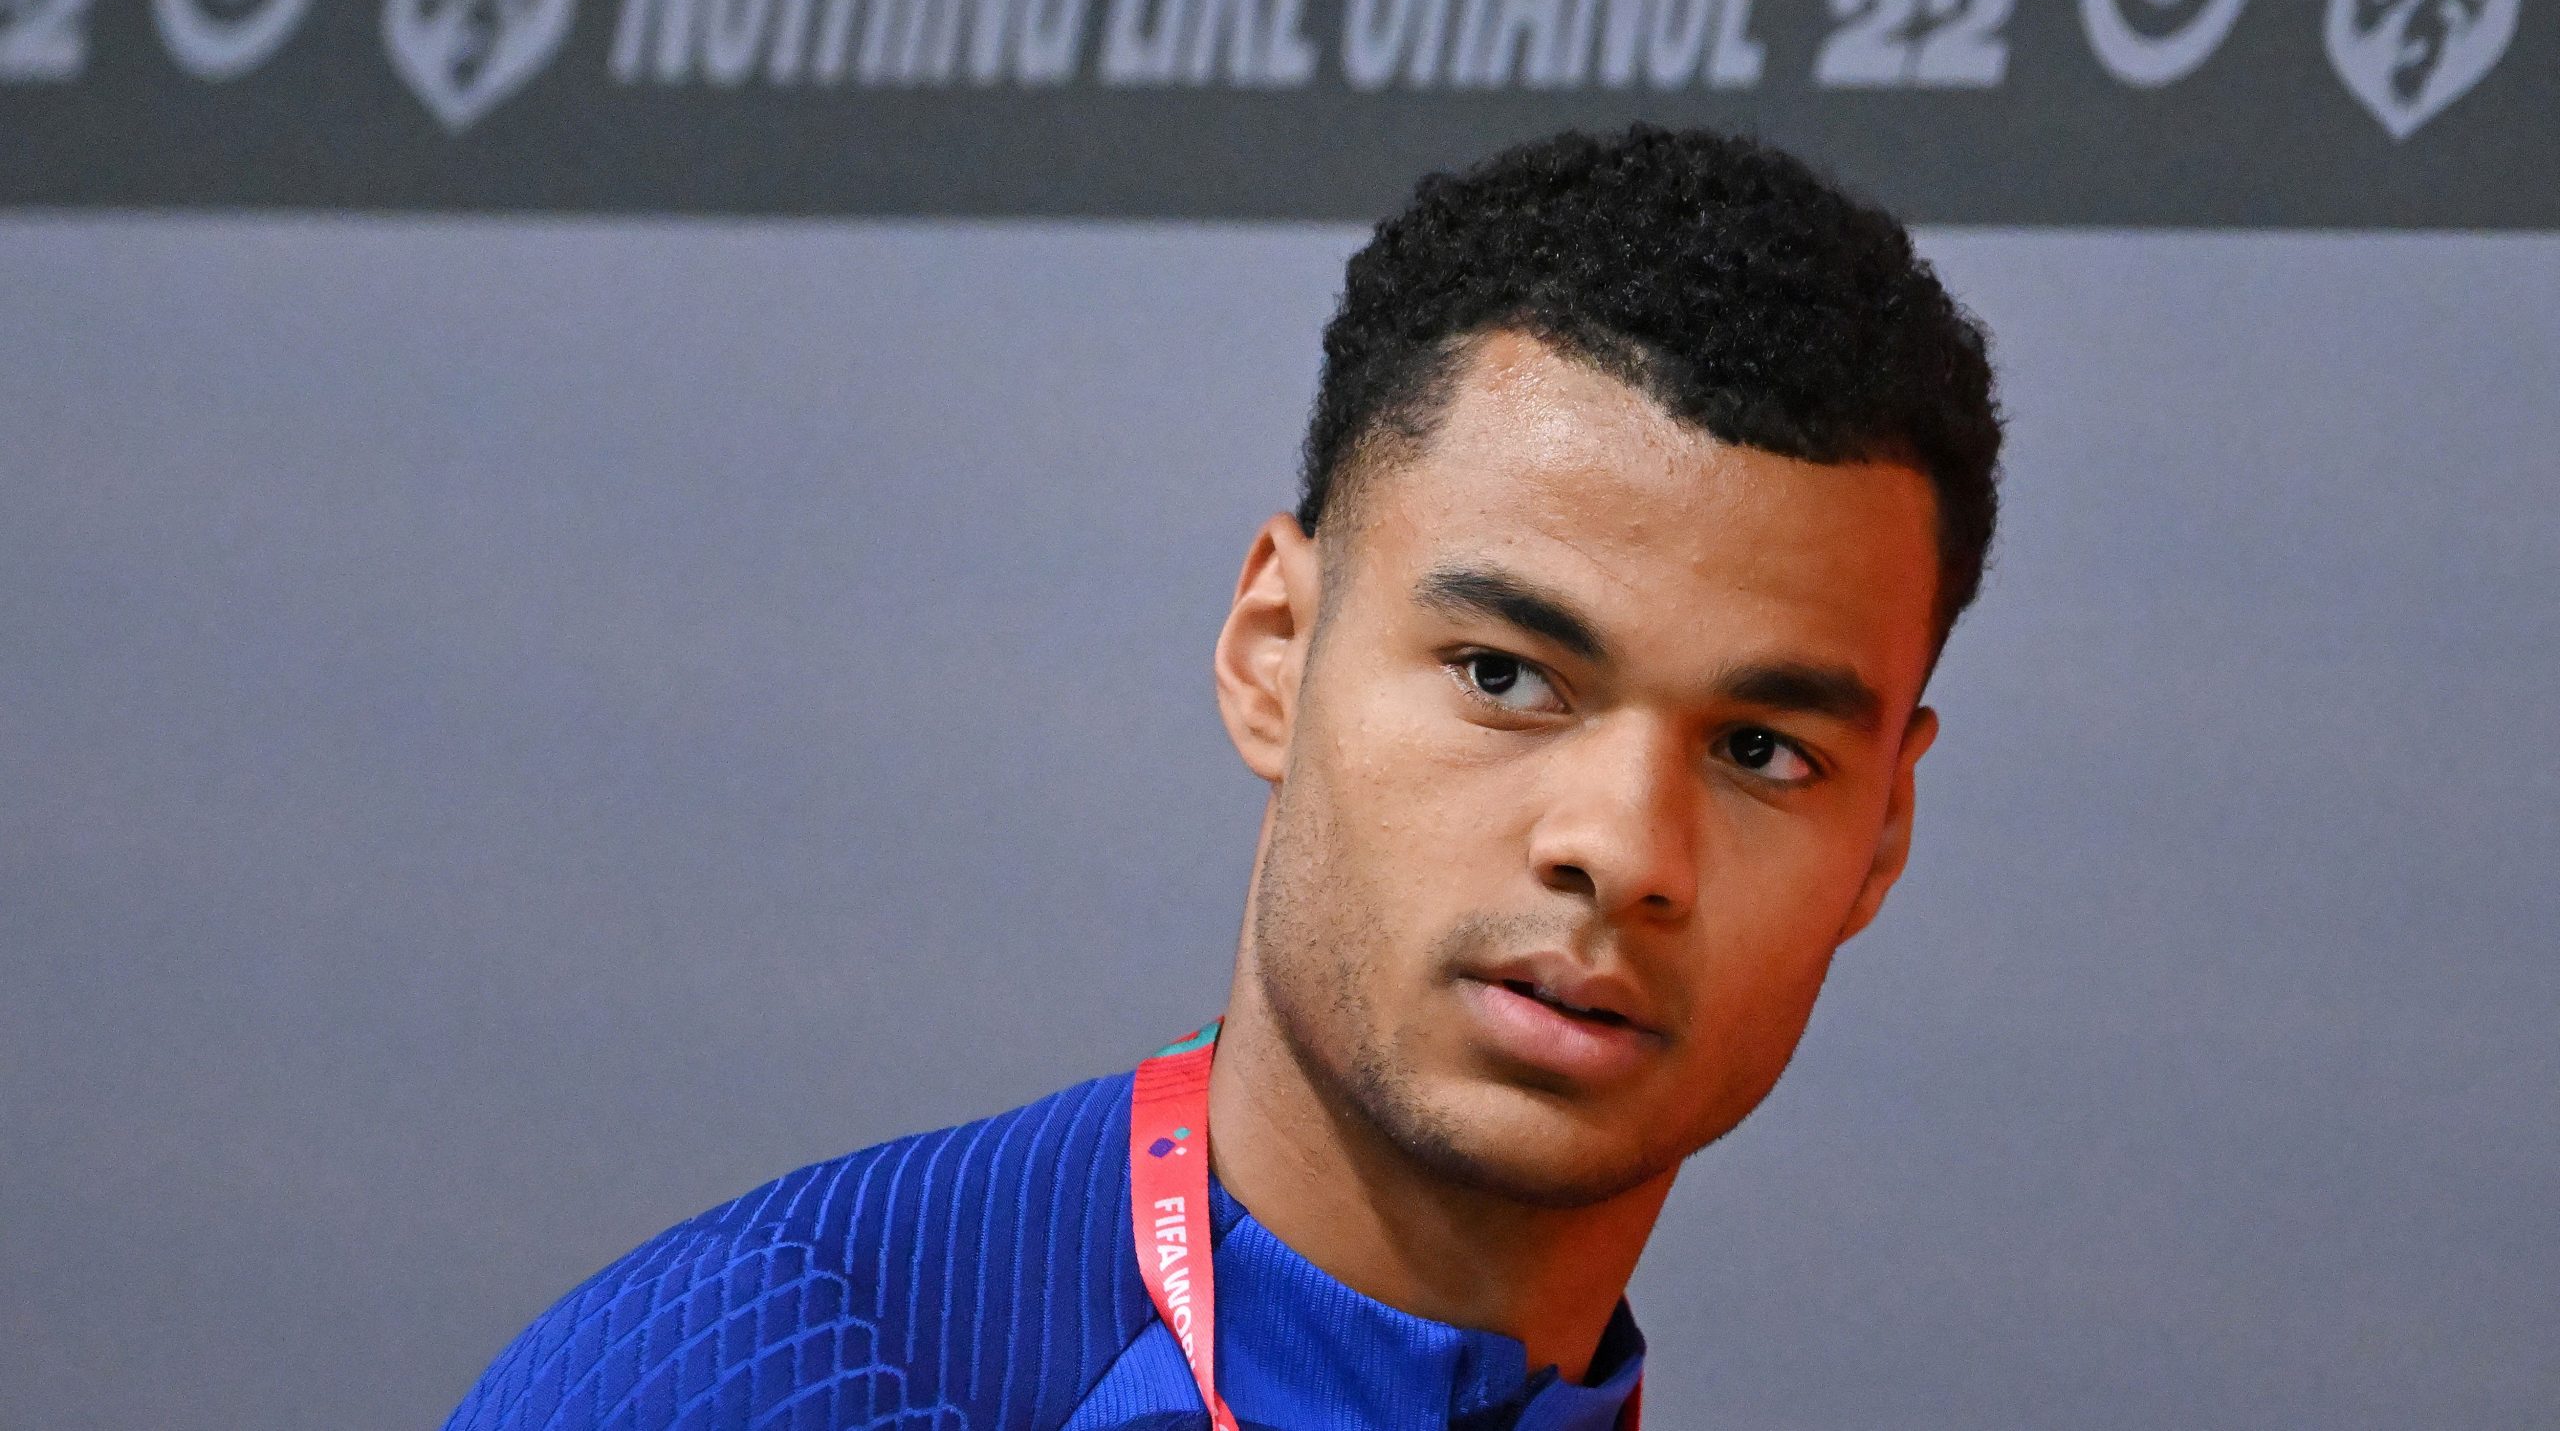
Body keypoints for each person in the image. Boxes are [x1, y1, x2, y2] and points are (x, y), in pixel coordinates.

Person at [442, 123, 2003, 1431]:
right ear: (1274, 648)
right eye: (1506, 677)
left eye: (1760, 751)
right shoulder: (760, 1382)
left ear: (1883, 837)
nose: (1621, 847)